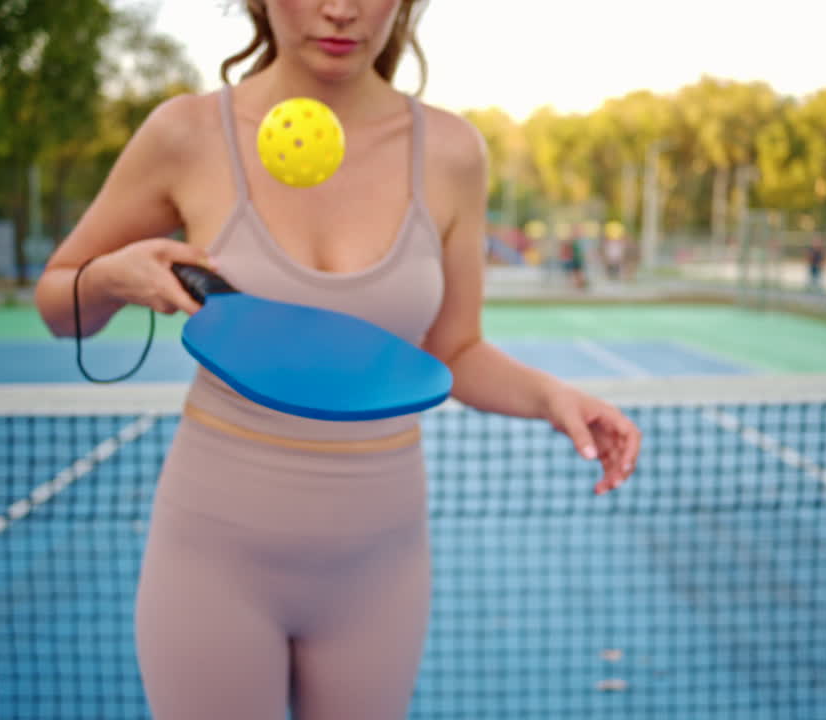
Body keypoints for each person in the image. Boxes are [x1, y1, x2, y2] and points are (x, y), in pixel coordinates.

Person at [33, 2, 642, 718]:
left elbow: (455, 352)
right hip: (213, 556)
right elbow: (57, 300)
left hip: (379, 567)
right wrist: (110, 278)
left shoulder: (451, 152)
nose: (341, 8)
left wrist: (552, 397)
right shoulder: (186, 133)